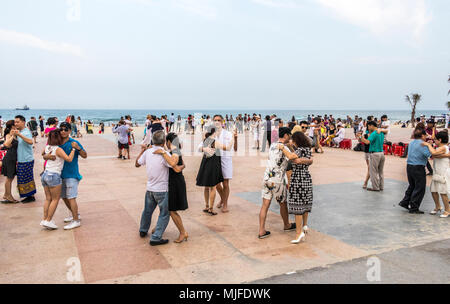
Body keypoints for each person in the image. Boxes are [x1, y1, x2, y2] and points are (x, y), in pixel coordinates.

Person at [258, 127, 304, 239]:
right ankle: (287, 225)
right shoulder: (283, 148)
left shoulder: (273, 145)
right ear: (286, 135)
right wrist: (289, 148)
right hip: (278, 180)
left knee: (265, 205)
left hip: (267, 178)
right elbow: (294, 157)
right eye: (290, 136)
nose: (291, 138)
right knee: (283, 203)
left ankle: (261, 230)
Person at [44, 122, 87, 229]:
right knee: (64, 197)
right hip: (58, 175)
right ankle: (75, 214)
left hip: (71, 174)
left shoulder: (74, 142)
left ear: (69, 131)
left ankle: (76, 220)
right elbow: (44, 154)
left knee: (71, 197)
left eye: (66, 129)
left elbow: (85, 155)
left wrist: (78, 148)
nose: (63, 131)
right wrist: (48, 157)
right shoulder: (56, 143)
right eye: (61, 129)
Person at [136, 130, 172, 246]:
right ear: (163, 142)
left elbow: (137, 163)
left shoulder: (148, 152)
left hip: (150, 188)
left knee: (147, 210)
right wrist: (167, 150)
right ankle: (156, 237)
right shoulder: (163, 154)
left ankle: (143, 230)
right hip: (162, 189)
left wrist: (143, 150)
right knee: (164, 213)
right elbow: (173, 165)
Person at [153, 133, 189, 243]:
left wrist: (163, 153)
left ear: (169, 142)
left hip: (175, 183)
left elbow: (176, 167)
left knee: (172, 210)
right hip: (173, 182)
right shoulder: (174, 151)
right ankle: (158, 229)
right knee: (166, 208)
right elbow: (181, 164)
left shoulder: (175, 152)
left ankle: (183, 232)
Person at [40, 129, 76, 229]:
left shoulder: (48, 147)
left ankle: (44, 218)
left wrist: (47, 156)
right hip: (54, 175)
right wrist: (73, 149)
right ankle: (48, 220)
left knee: (48, 199)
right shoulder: (58, 149)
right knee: (55, 199)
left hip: (45, 174)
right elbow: (69, 159)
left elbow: (42, 154)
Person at [288, 131, 314, 244]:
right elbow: (308, 159)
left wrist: (282, 148)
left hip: (298, 179)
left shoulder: (299, 150)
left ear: (296, 140)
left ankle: (298, 233)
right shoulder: (307, 149)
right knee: (304, 203)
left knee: (297, 206)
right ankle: (305, 226)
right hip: (306, 178)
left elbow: (291, 156)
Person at [398, 129, 431, 214]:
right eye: (426, 135)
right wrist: (429, 145)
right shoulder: (422, 144)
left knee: (412, 185)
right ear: (422, 136)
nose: (426, 137)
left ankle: (405, 201)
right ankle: (414, 207)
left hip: (409, 166)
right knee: (420, 187)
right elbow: (429, 155)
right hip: (418, 167)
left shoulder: (411, 143)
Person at [196, 126, 226, 216]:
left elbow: (199, 148)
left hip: (205, 164)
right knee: (213, 188)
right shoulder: (215, 141)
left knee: (206, 187)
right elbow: (226, 148)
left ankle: (206, 206)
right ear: (214, 132)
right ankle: (211, 208)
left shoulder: (205, 140)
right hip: (213, 165)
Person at [422, 131, 450, 218]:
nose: (434, 141)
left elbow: (433, 154)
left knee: (443, 192)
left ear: (440, 140)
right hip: (437, 172)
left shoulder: (444, 147)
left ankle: (447, 210)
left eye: (435, 140)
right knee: (433, 190)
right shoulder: (439, 148)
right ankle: (438, 206)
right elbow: (434, 155)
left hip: (443, 172)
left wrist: (428, 145)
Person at [212, 115, 235, 213]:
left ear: (222, 121)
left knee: (225, 183)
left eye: (219, 120)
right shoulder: (211, 134)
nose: (217, 122)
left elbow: (232, 147)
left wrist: (236, 138)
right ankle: (222, 198)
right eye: (215, 120)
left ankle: (225, 204)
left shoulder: (228, 134)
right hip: (215, 160)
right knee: (217, 184)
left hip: (226, 159)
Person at [13, 115, 36, 203]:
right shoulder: (20, 131)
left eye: (18, 122)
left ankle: (31, 196)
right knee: (23, 178)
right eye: (15, 122)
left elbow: (30, 142)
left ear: (23, 122)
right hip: (21, 159)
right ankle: (28, 195)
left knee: (28, 178)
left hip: (27, 159)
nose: (16, 123)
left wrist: (19, 135)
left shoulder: (26, 132)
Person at [358, 121, 385, 192]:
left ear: (371, 126)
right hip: (381, 153)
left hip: (375, 154)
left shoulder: (374, 133)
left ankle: (375, 187)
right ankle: (381, 186)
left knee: (373, 171)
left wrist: (360, 137)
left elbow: (367, 142)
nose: (368, 128)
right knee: (380, 171)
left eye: (368, 126)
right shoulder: (381, 132)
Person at [1, 121, 19, 203]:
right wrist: (13, 135)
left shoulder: (15, 133)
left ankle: (6, 194)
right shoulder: (9, 134)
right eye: (15, 123)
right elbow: (6, 145)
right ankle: (9, 196)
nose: (16, 124)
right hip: (9, 158)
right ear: (12, 126)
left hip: (13, 158)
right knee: (9, 178)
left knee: (10, 178)